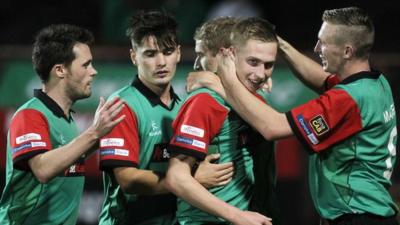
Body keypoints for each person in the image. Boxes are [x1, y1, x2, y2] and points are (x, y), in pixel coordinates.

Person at [190, 6, 399, 225]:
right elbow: (322, 79)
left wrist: (223, 82)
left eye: (324, 42)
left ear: (347, 52)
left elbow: (273, 127)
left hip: (356, 217)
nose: (317, 48)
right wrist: (277, 44)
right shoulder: (375, 83)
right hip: (370, 212)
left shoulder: (347, 100)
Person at [98, 11, 234, 225]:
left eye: (168, 52)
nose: (161, 62)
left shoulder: (184, 106)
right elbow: (127, 179)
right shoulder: (121, 106)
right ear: (134, 56)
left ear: (179, 53)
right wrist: (188, 180)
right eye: (150, 54)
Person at [0, 24, 125, 225]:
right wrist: (94, 133)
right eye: (86, 65)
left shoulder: (64, 119)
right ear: (60, 70)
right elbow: (43, 169)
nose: (93, 71)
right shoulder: (30, 114)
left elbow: (68, 159)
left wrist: (101, 133)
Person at [165, 17, 278, 225]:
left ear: (227, 53)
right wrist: (238, 216)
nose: (198, 63)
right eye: (253, 62)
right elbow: (176, 177)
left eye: (201, 54)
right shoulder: (204, 101)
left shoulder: (255, 101)